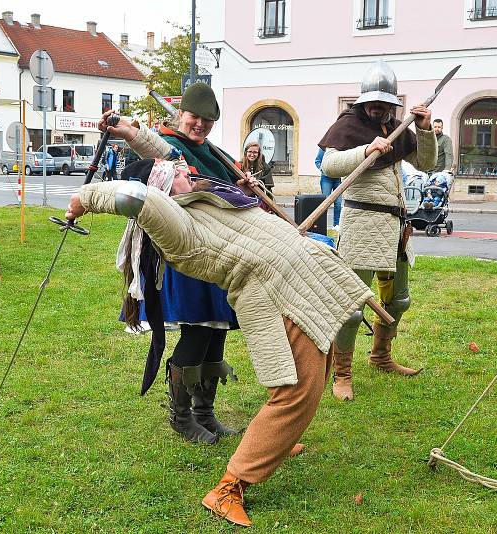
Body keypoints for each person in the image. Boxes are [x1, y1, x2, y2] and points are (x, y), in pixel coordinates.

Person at [65, 160, 374, 528]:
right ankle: (228, 488)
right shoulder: (175, 222)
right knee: (295, 391)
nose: (188, 171)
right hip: (278, 295)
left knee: (313, 375)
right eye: (178, 172)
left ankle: (273, 442)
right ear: (164, 185)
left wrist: (131, 131)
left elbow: (165, 158)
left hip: (300, 279)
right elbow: (136, 195)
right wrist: (83, 198)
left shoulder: (195, 198)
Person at [98, 82, 244, 445]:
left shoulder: (212, 152)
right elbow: (150, 143)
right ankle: (181, 418)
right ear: (181, 114)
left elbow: (222, 187)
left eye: (208, 122)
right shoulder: (172, 147)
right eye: (195, 118)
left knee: (216, 332)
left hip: (218, 251)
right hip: (187, 255)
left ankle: (204, 413)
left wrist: (240, 182)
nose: (200, 126)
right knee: (197, 332)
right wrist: (125, 127)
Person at [318, 60, 437, 401]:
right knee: (352, 306)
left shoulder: (396, 128)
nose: (378, 109)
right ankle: (342, 374)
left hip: (395, 226)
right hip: (362, 225)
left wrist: (425, 129)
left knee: (398, 299)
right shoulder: (348, 125)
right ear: (363, 101)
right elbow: (329, 164)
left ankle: (381, 356)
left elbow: (427, 164)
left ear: (392, 104)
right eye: (373, 103)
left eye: (385, 104)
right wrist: (365, 150)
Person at [315, 147, 342, 227]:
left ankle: (336, 225)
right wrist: (323, 170)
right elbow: (317, 161)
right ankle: (323, 225)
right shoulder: (323, 148)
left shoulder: (340, 147)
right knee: (325, 203)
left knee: (338, 203)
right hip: (326, 179)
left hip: (338, 179)